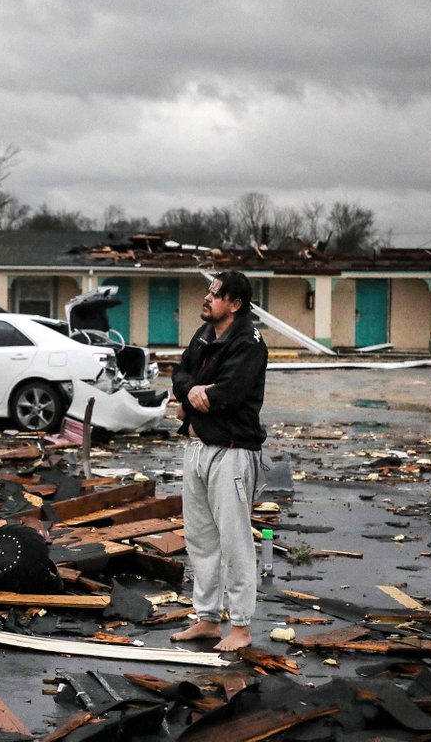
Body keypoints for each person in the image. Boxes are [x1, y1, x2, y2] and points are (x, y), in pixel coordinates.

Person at [169, 271, 268, 652]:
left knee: (235, 540)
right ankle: (207, 619)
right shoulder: (204, 335)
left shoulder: (248, 343)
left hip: (231, 451)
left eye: (215, 294)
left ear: (236, 303)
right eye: (208, 291)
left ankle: (240, 626)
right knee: (200, 538)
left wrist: (192, 402)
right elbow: (181, 373)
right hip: (196, 448)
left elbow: (228, 394)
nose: (206, 298)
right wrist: (191, 390)